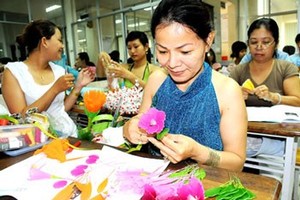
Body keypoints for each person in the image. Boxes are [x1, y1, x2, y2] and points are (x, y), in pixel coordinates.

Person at [123, 0, 247, 172]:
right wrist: (129, 128)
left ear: (208, 40)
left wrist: (198, 152)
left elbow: (237, 161)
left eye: (185, 51)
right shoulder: (156, 80)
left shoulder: (227, 91)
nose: (172, 63)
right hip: (156, 182)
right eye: (163, 51)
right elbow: (139, 123)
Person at [2, 19, 95, 137]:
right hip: (38, 141)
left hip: (69, 135)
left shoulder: (59, 71)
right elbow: (22, 118)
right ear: (44, 42)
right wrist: (55, 89)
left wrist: (78, 87)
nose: (62, 46)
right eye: (60, 40)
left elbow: (61, 109)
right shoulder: (13, 72)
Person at [229, 18, 300, 161]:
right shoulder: (239, 71)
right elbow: (220, 102)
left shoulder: (285, 67)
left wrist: (275, 97)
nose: (259, 47)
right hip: (242, 134)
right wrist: (234, 97)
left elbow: (298, 100)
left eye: (266, 42)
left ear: (276, 43)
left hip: (279, 139)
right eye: (254, 42)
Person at [96, 31, 160, 89]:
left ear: (146, 47)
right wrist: (100, 58)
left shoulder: (154, 70)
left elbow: (153, 91)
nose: (132, 51)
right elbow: (100, 74)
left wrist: (128, 75)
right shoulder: (124, 68)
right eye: (129, 48)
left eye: (136, 47)